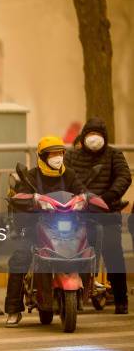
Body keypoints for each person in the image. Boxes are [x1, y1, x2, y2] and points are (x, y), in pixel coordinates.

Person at [4, 136, 85, 326]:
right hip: (35, 227)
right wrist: (29, 199)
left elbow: (82, 192)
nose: (57, 157)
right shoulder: (32, 176)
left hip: (67, 227)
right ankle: (14, 309)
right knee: (20, 257)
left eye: (60, 153)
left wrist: (85, 199)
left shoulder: (70, 175)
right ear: (42, 156)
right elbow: (20, 196)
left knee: (88, 246)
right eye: (52, 154)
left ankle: (87, 288)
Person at [64, 117, 131, 314]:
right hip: (80, 213)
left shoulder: (114, 155)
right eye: (90, 134)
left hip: (108, 211)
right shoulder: (72, 156)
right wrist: (84, 197)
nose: (94, 138)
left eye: (98, 134)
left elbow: (124, 176)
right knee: (78, 251)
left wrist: (109, 196)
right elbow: (66, 176)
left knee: (113, 253)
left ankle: (121, 299)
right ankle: (77, 295)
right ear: (84, 136)